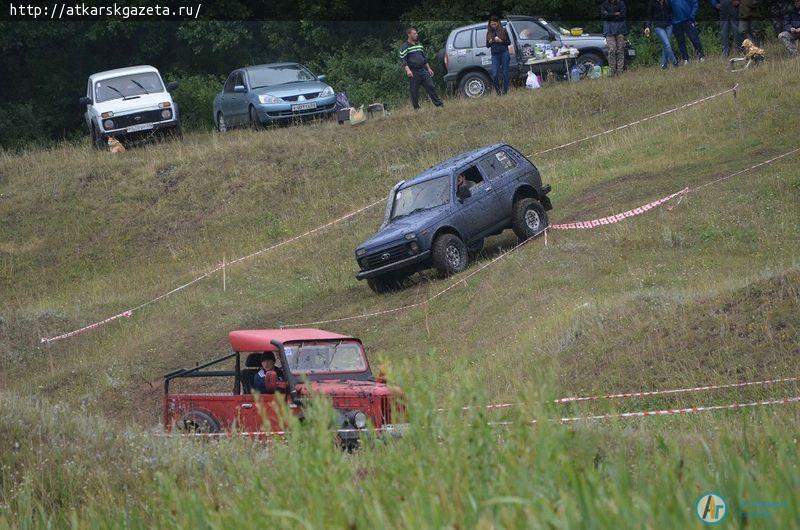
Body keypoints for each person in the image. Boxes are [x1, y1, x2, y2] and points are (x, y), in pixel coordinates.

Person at [399, 27, 444, 110]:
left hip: (423, 70)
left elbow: (424, 58)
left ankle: (439, 105)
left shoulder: (419, 44)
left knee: (431, 86)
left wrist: (429, 68)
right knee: (414, 91)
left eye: (416, 33)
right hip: (413, 72)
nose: (416, 35)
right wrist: (408, 70)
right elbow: (403, 60)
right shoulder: (405, 46)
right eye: (414, 33)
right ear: (409, 35)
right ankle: (417, 108)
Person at [646, 0, 679, 68]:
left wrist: (671, 19)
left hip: (668, 25)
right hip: (658, 26)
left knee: (665, 45)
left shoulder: (667, 2)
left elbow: (671, 12)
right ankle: (675, 63)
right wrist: (648, 27)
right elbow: (649, 16)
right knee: (667, 45)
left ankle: (664, 65)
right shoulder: (652, 3)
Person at [601, 0, 629, 76]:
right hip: (608, 30)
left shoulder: (621, 3)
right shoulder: (605, 4)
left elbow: (623, 16)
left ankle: (620, 71)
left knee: (620, 49)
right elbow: (603, 16)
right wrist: (615, 14)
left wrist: (609, 15)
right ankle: (612, 71)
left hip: (620, 29)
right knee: (612, 49)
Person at [486, 16, 512, 95]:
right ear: (490, 24)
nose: (493, 26)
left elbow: (509, 42)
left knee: (505, 72)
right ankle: (498, 92)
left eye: (495, 24)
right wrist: (490, 42)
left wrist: (501, 41)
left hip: (504, 53)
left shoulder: (503, 31)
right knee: (495, 74)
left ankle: (505, 91)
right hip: (495, 55)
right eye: (492, 24)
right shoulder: (488, 33)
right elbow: (487, 45)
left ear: (498, 23)